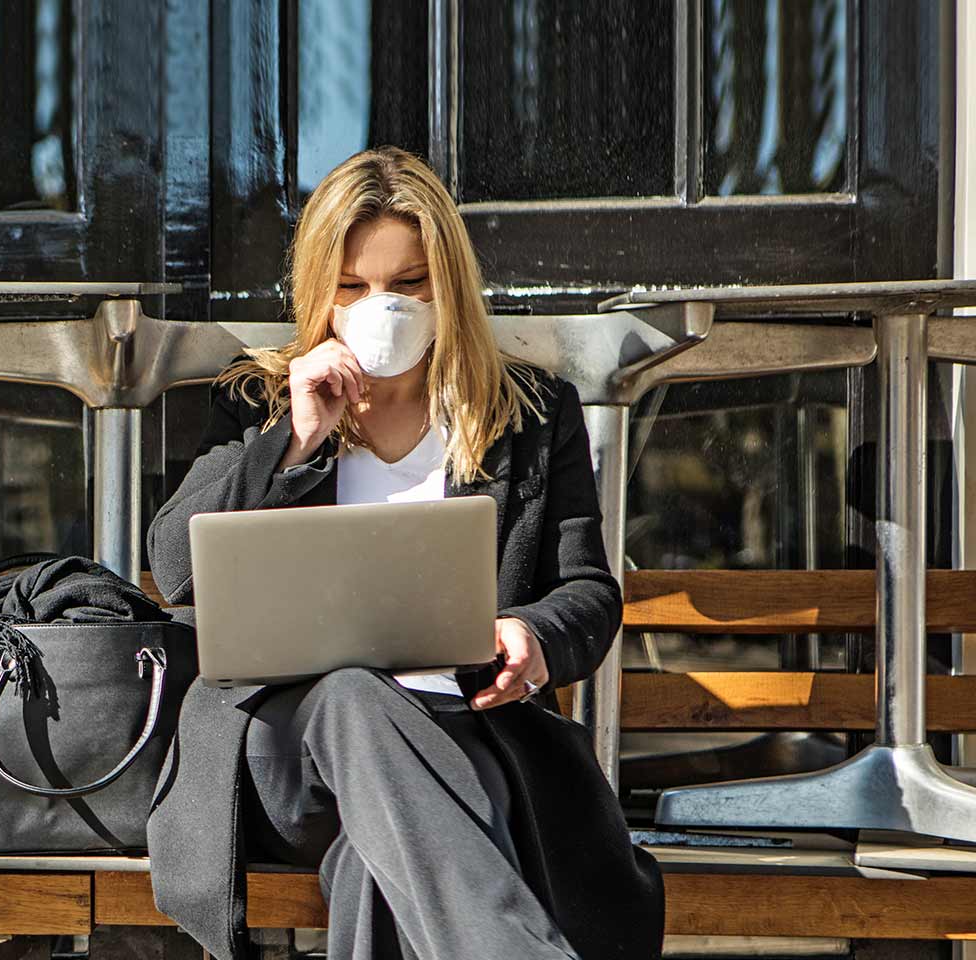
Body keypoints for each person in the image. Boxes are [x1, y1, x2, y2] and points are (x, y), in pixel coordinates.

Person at [143, 146, 664, 960]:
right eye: (352, 286)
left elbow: (587, 593)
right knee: (352, 690)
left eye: (408, 283)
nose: (380, 305)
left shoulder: (529, 413)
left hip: (463, 736)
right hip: (288, 756)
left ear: (448, 283)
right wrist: (295, 435)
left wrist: (532, 639)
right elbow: (173, 568)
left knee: (377, 863)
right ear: (319, 290)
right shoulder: (257, 401)